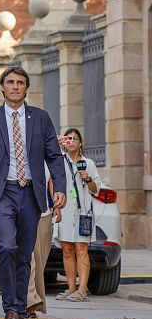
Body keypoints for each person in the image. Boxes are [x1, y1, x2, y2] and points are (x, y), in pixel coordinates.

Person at [0, 66, 66, 319]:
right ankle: (10, 311)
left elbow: (54, 156)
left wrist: (59, 187)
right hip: (3, 194)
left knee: (25, 255)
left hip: (31, 195)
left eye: (20, 82)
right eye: (10, 82)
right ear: (2, 87)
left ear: (26, 87)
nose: (15, 86)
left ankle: (21, 313)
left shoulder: (41, 118)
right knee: (7, 247)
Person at [54, 128, 102, 303]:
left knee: (82, 249)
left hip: (83, 212)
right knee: (67, 250)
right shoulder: (59, 160)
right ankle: (71, 288)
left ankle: (82, 290)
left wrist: (88, 179)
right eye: (68, 138)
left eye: (74, 138)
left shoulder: (88, 163)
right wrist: (54, 146)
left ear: (80, 142)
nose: (71, 141)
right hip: (66, 211)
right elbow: (50, 178)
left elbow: (97, 190)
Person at [27, 169, 61, 318]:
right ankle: (29, 304)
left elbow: (52, 179)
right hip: (22, 211)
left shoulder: (48, 152)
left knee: (39, 262)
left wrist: (56, 205)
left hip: (44, 213)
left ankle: (27, 299)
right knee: (29, 259)